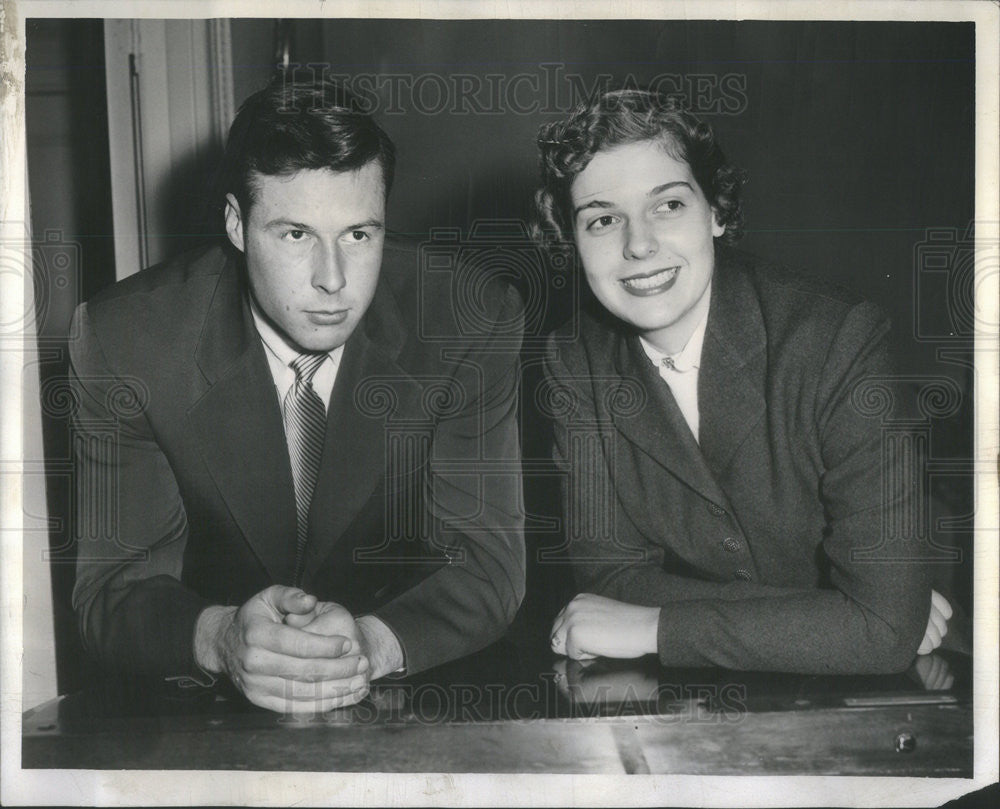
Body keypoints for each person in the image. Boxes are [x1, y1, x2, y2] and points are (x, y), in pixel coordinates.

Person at [69, 78, 525, 713]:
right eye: (295, 234)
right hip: (205, 707)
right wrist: (222, 639)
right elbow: (114, 592)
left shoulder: (467, 320)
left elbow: (487, 567)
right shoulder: (128, 341)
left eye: (360, 234)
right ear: (236, 223)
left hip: (413, 695)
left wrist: (372, 643)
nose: (333, 279)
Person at [535, 89, 951, 673]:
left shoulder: (838, 339)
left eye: (668, 205)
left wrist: (660, 626)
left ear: (717, 212)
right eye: (602, 219)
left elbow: (882, 633)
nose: (638, 244)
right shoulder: (573, 358)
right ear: (571, 243)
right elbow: (611, 576)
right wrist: (838, 619)